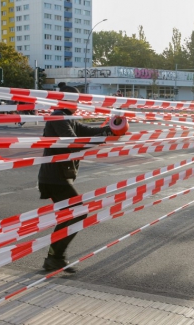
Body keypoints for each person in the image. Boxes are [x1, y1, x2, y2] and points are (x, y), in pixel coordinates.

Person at [38, 85, 125, 273]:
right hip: (54, 177)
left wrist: (109, 127)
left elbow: (88, 131)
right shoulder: (58, 117)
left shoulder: (68, 118)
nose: (78, 104)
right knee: (79, 212)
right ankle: (55, 258)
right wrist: (105, 135)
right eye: (75, 101)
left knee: (69, 215)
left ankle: (54, 258)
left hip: (59, 176)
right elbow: (73, 143)